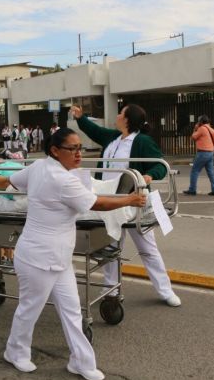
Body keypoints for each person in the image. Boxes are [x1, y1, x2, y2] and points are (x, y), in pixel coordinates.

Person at [4, 128, 146, 380]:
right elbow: (96, 203)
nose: (78, 153)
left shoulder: (39, 166)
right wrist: (129, 200)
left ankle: (81, 362)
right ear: (55, 151)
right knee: (30, 308)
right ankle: (15, 352)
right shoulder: (61, 179)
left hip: (58, 257)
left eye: (80, 147)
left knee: (71, 310)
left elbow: (14, 180)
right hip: (38, 257)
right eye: (72, 149)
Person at [72, 104, 181, 307]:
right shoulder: (113, 138)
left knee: (148, 248)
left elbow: (159, 164)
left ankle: (165, 291)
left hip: (133, 201)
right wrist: (80, 118)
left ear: (128, 120)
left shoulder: (142, 141)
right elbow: (95, 131)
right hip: (108, 201)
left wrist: (149, 176)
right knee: (111, 247)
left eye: (121, 113)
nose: (117, 115)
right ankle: (110, 289)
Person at [184, 115, 214, 196]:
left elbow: (193, 137)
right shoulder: (212, 130)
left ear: (201, 122)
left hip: (203, 152)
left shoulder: (202, 129)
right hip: (211, 153)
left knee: (194, 171)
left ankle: (192, 189)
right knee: (211, 172)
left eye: (199, 121)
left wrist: (195, 129)